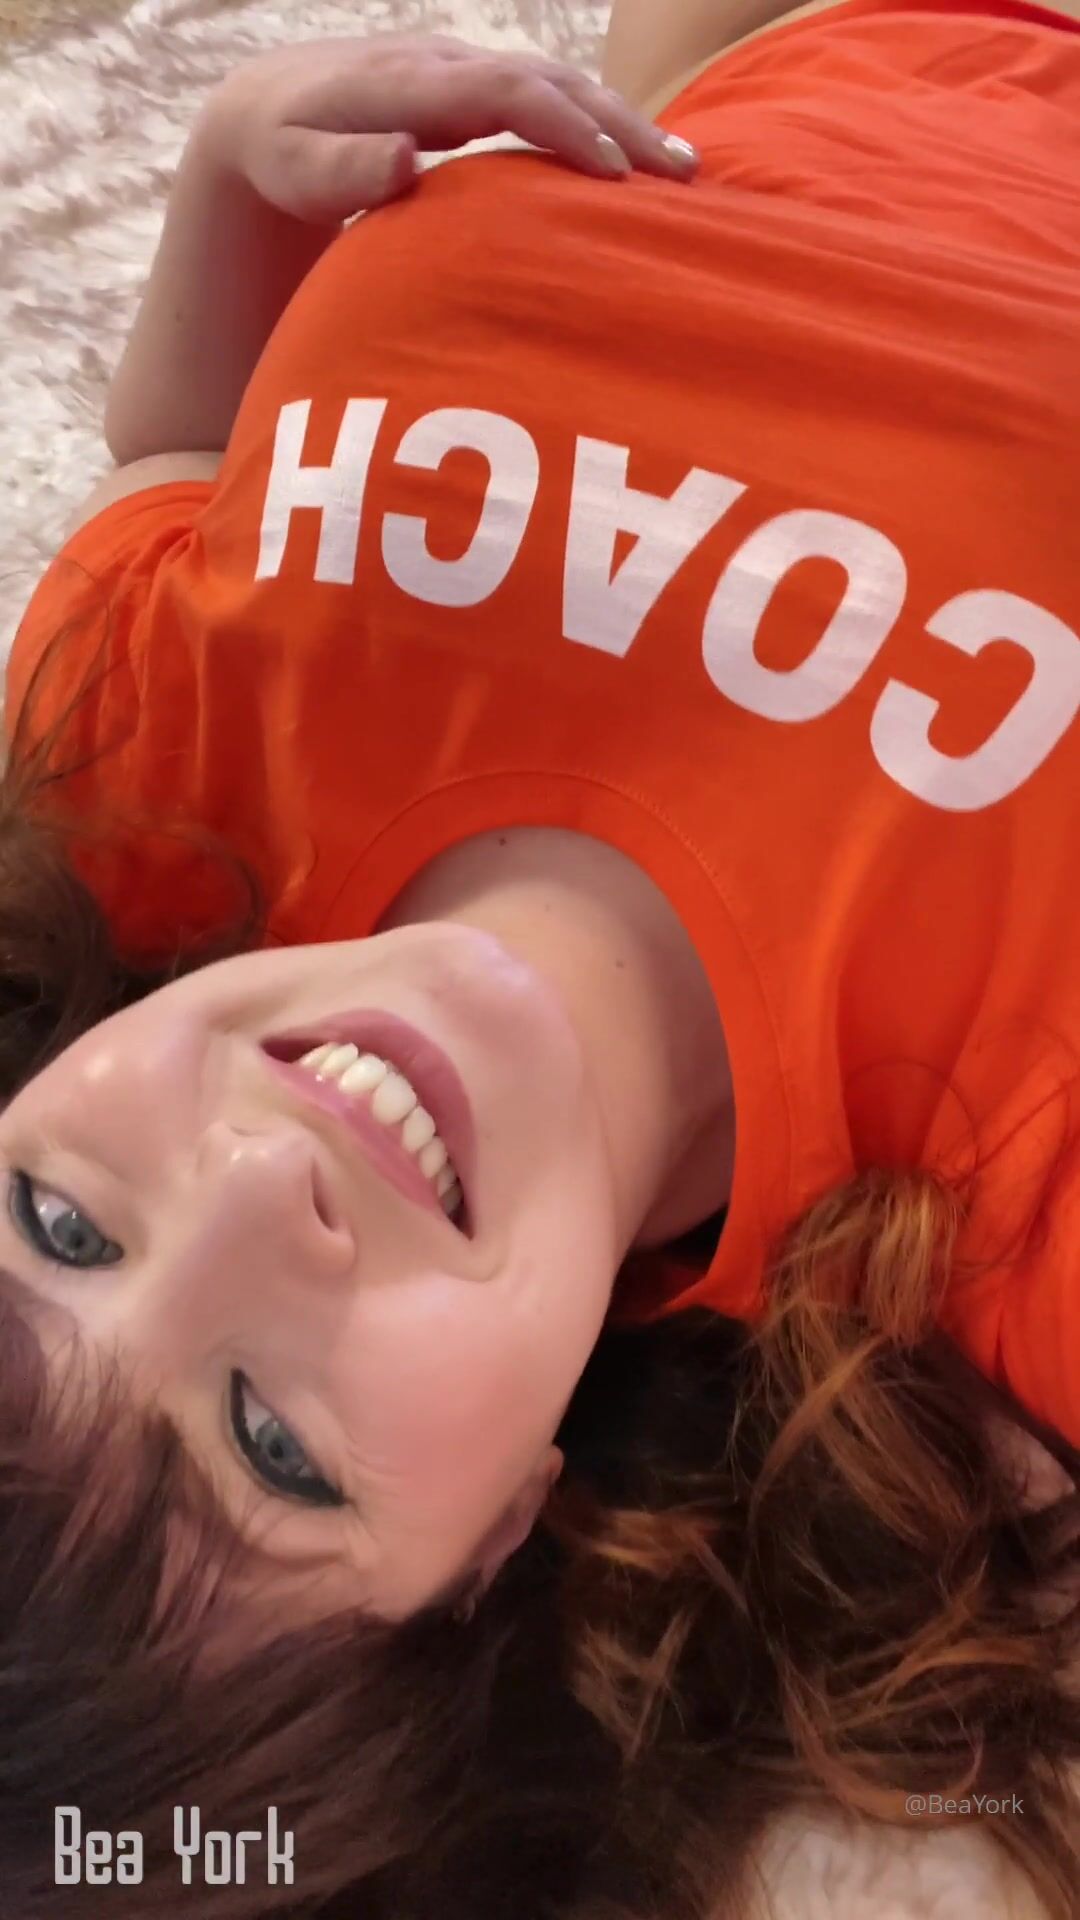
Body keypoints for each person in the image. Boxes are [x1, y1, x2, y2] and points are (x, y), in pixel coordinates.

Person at [1, 0, 1078, 1913]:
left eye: (58, 1228)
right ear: (506, 1541)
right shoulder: (1019, 1212)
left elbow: (166, 455)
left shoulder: (139, 779)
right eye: (276, 1451)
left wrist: (229, 188)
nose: (256, 1188)